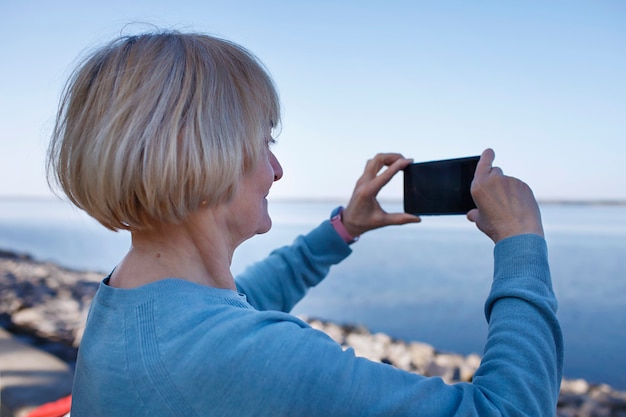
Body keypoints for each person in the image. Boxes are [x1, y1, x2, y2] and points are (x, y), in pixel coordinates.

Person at [47, 30, 563, 416]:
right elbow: (508, 409)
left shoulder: (126, 299)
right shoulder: (238, 357)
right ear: (203, 151)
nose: (276, 169)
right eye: (263, 142)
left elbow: (242, 301)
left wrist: (345, 228)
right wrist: (522, 244)